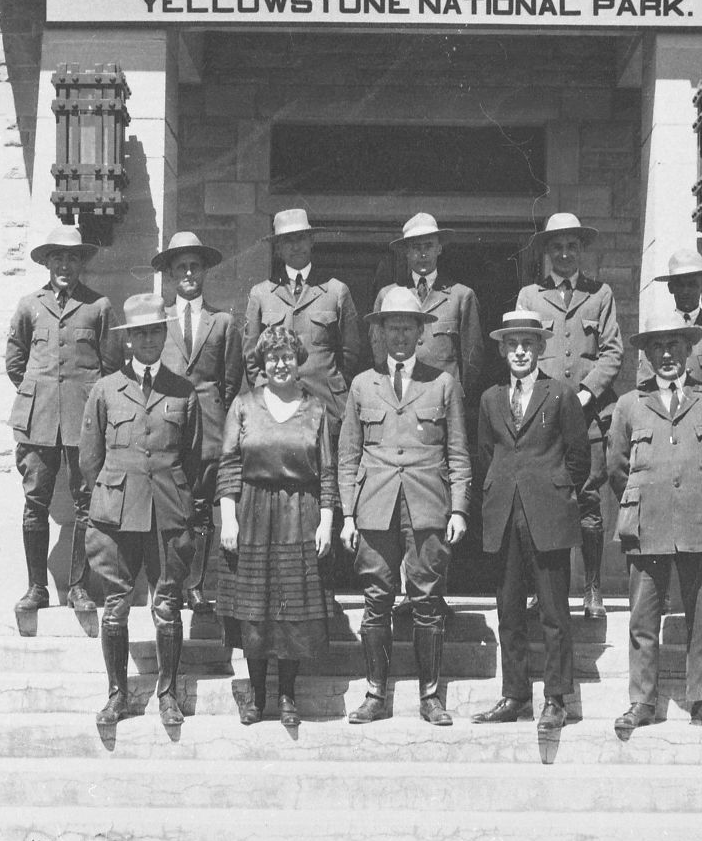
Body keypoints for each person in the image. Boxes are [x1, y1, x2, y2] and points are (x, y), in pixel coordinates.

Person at [607, 306, 702, 745]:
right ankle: (642, 701)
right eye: (657, 347)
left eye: (674, 346)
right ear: (646, 355)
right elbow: (616, 466)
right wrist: (645, 499)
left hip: (698, 522)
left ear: (688, 351)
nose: (666, 355)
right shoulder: (630, 405)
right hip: (647, 523)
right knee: (642, 618)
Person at [337, 285, 471, 726]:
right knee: (376, 598)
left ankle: (430, 696)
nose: (398, 335)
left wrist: (458, 509)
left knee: (428, 598)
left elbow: (457, 453)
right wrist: (347, 514)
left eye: (407, 327)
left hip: (427, 504)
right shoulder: (362, 385)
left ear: (420, 333)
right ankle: (376, 694)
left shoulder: (443, 383)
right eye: (390, 327)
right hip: (374, 505)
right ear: (378, 333)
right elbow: (348, 454)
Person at [76, 293, 206, 728]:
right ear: (128, 339)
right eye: (139, 333)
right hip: (116, 513)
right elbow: (90, 459)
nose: (148, 339)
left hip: (167, 510)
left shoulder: (183, 392)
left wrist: (182, 503)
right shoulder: (105, 389)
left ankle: (167, 694)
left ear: (164, 333)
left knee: (167, 605)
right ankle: (117, 694)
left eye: (155, 330)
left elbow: (191, 458)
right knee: (115, 605)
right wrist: (104, 500)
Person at [470, 311, 591, 735]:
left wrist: (552, 491)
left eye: (528, 344)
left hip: (548, 517)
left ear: (540, 348)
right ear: (503, 351)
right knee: (508, 611)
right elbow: (486, 453)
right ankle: (516, 694)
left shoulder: (560, 394)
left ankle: (556, 698)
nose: (520, 351)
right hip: (503, 515)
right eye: (512, 344)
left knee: (555, 612)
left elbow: (578, 457)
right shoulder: (490, 399)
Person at [217, 325, 338, 727]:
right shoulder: (244, 405)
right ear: (262, 364)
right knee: (255, 606)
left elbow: (328, 471)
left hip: (299, 512)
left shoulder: (315, 407)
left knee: (292, 607)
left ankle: (287, 695)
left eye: (287, 356)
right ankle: (257, 694)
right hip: (252, 511)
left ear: (298, 360)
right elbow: (230, 463)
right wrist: (228, 517)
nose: (280, 364)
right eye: (272, 358)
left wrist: (327, 519)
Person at [4, 223, 121, 626]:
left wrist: (88, 407)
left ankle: (78, 587)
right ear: (48, 263)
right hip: (38, 423)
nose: (65, 265)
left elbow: (111, 367)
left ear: (81, 262)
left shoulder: (98, 307)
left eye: (72, 257)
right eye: (58, 258)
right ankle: (37, 587)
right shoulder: (29, 306)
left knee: (87, 503)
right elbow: (15, 362)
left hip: (84, 423)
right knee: (35, 502)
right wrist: (40, 397)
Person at [244, 207, 363, 591]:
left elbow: (350, 354)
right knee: (289, 498)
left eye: (300, 238)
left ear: (312, 241)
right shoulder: (262, 295)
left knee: (328, 494)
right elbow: (251, 358)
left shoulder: (335, 291)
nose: (294, 246)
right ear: (278, 248)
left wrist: (329, 395)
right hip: (279, 419)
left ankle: (329, 587)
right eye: (286, 241)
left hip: (326, 414)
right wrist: (274, 401)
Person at [514, 212, 625, 619]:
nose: (564, 254)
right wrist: (548, 398)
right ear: (546, 252)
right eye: (557, 246)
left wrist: (584, 393)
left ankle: (592, 589)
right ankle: (539, 588)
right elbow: (521, 348)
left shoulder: (600, 295)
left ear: (581, 251)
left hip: (590, 414)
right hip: (546, 415)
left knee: (589, 500)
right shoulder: (530, 296)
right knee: (540, 502)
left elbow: (612, 352)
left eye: (572, 246)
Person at [155, 231, 244, 618]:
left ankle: (195, 586)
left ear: (204, 272)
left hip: (209, 427)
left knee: (204, 509)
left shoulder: (222, 322)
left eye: (195, 266)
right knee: (172, 507)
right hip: (169, 425)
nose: (189, 273)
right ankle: (169, 583)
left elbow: (230, 380)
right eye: (181, 268)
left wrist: (217, 420)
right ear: (172, 275)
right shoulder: (158, 319)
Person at [369, 213, 484, 402]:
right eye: (416, 247)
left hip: (443, 399)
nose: (422, 254)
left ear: (439, 248)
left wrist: (456, 393)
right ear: (406, 251)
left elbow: (473, 358)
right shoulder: (388, 295)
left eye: (429, 246)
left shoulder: (461, 296)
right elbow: (379, 350)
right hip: (400, 396)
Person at [636, 250, 702, 400]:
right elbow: (645, 381)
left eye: (692, 284)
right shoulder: (657, 329)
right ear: (671, 288)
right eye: (680, 285)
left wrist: (696, 407)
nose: (686, 291)